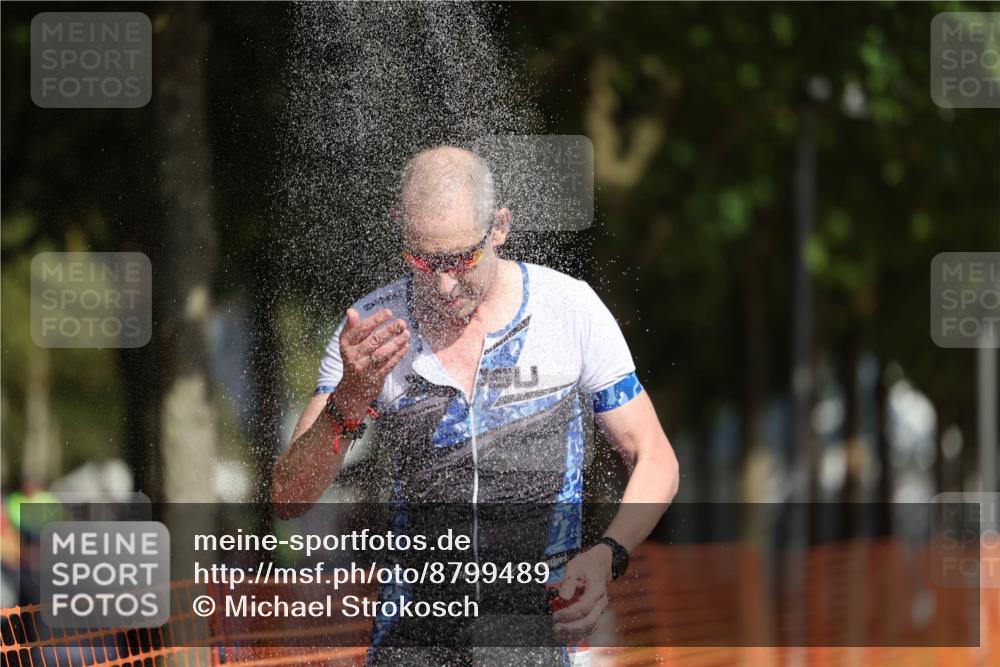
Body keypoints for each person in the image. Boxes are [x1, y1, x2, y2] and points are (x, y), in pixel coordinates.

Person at [273, 145, 679, 666]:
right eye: (423, 259)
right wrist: (349, 402)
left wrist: (608, 555)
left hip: (542, 639)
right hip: (413, 643)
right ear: (400, 231)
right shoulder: (370, 333)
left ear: (500, 228)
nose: (444, 284)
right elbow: (288, 498)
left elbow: (656, 459)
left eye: (463, 259)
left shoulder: (569, 309)